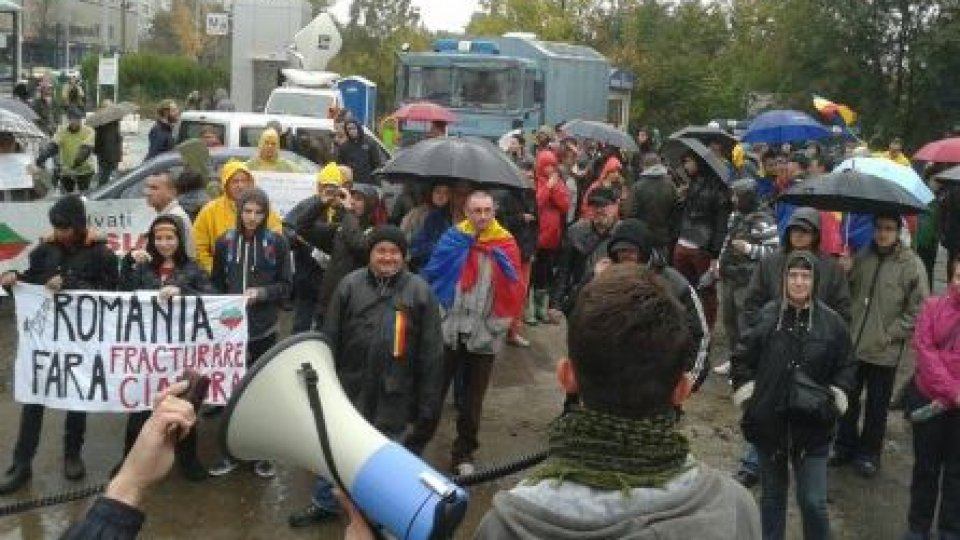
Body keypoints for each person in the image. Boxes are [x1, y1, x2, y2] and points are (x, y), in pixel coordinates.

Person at [287, 226, 445, 527]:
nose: (387, 257)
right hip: (350, 388)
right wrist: (322, 385)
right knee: (335, 449)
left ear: (403, 256)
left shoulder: (420, 292)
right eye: (380, 251)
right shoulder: (349, 285)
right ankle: (325, 502)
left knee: (388, 457)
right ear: (370, 254)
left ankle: (379, 513)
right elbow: (329, 336)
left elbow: (432, 356)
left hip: (396, 394)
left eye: (394, 252)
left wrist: (427, 408)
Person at [731, 250, 856, 540]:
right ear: (784, 278)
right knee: (772, 499)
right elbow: (742, 359)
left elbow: (847, 366)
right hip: (770, 428)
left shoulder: (832, 323)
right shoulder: (767, 316)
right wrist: (750, 399)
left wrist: (834, 401)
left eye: (806, 276)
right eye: (793, 275)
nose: (799, 282)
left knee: (813, 501)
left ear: (815, 280)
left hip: (812, 428)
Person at [0, 195, 119, 493]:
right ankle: (22, 462)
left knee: (75, 397)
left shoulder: (102, 254)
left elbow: (111, 294)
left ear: (79, 225)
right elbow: (31, 280)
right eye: (56, 227)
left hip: (80, 341)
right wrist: (13, 279)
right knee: (34, 398)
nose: (61, 233)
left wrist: (69, 282)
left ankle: (72, 454)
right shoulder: (44, 250)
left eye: (66, 227)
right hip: (45, 341)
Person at [734, 206, 851, 488]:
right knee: (766, 410)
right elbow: (752, 301)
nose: (800, 235)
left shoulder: (831, 268)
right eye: (796, 229)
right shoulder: (770, 263)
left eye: (807, 230)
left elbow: (843, 311)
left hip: (814, 355)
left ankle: (807, 469)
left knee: (806, 414)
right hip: (773, 348)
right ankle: (754, 463)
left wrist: (826, 336)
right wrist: (762, 328)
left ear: (815, 235)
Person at [422, 191, 524, 474]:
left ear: (494, 212)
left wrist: (495, 329)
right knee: (433, 392)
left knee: (472, 400)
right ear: (466, 212)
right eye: (476, 210)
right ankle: (417, 443)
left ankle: (464, 453)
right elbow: (435, 279)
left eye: (487, 211)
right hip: (449, 330)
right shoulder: (453, 239)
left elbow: (514, 290)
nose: (482, 216)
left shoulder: (505, 243)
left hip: (484, 334)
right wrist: (439, 320)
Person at [832, 214, 929, 477]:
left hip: (884, 350)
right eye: (878, 228)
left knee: (877, 405)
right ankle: (844, 444)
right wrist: (846, 271)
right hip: (855, 343)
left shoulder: (911, 265)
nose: (882, 233)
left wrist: (891, 333)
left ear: (899, 231)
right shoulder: (864, 255)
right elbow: (849, 294)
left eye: (888, 229)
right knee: (848, 399)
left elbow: (919, 310)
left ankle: (868, 453)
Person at [118, 215, 212, 481]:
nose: (164, 243)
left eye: (169, 238)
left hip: (181, 351)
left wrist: (183, 293)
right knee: (140, 408)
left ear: (179, 240)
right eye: (158, 238)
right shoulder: (142, 269)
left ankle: (189, 461)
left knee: (183, 406)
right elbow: (122, 296)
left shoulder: (192, 268)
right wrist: (127, 263)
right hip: (147, 353)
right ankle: (128, 460)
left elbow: (212, 297)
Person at [208, 188, 292, 478]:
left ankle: (261, 454)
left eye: (259, 212)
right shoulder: (224, 243)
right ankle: (230, 453)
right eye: (247, 211)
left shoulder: (277, 243)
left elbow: (286, 286)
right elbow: (216, 285)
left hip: (263, 330)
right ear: (239, 212)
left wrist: (263, 292)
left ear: (266, 214)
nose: (253, 218)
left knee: (260, 392)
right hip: (231, 333)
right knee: (230, 394)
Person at [602, 219, 710, 390]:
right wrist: (594, 281)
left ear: (643, 251)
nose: (624, 256)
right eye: (619, 251)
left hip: (658, 380)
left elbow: (699, 334)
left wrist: (688, 381)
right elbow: (577, 318)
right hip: (613, 380)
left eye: (630, 251)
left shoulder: (674, 284)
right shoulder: (604, 277)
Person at [902, 256, 960, 540]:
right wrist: (954, 392)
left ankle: (951, 529)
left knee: (956, 473)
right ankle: (918, 527)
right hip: (929, 398)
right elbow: (925, 352)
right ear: (951, 276)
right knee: (925, 468)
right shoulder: (932, 307)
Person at [283, 163, 365, 332]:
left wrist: (346, 210)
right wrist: (298, 241)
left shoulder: (347, 211)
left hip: (335, 281)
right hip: (308, 273)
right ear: (319, 186)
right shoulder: (309, 205)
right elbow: (292, 228)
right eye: (326, 187)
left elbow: (354, 240)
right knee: (302, 323)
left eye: (335, 187)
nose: (331, 192)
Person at [713, 178, 779, 376]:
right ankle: (735, 359)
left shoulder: (763, 221)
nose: (733, 199)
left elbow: (774, 251)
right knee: (729, 321)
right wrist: (718, 262)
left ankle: (750, 364)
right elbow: (728, 239)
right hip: (729, 278)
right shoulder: (735, 216)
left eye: (737, 196)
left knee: (747, 324)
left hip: (748, 282)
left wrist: (749, 248)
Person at [672, 152, 731, 329]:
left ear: (700, 162)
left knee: (705, 290)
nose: (685, 166)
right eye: (684, 162)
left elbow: (721, 225)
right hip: (685, 242)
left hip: (701, 248)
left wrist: (715, 254)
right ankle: (691, 323)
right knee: (685, 288)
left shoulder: (718, 189)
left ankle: (707, 328)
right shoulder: (692, 184)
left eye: (688, 161)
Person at [192, 160, 282, 273]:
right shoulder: (209, 210)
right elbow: (198, 246)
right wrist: (214, 270)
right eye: (235, 181)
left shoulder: (264, 208)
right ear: (226, 184)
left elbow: (277, 240)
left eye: (244, 181)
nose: (240, 185)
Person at [549, 187, 619, 318]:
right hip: (580, 299)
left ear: (616, 206)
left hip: (611, 302)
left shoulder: (624, 234)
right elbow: (564, 269)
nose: (599, 210)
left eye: (604, 205)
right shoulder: (575, 232)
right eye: (594, 205)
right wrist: (555, 303)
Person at [532, 149, 570, 323]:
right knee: (531, 272)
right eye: (546, 166)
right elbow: (536, 203)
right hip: (536, 235)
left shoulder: (558, 182)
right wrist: (548, 187)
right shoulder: (535, 182)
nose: (549, 169)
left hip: (552, 237)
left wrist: (554, 187)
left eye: (552, 166)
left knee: (544, 273)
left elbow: (565, 205)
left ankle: (540, 308)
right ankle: (528, 309)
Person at [35, 106, 95, 193]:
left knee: (84, 195)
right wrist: (43, 156)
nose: (75, 122)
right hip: (67, 171)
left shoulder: (89, 131)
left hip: (85, 169)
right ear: (68, 119)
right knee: (67, 196)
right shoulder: (62, 131)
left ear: (81, 119)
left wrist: (75, 164)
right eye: (72, 119)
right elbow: (53, 146)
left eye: (77, 119)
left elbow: (85, 150)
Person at [627, 163, 678, 261]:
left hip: (643, 234)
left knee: (644, 263)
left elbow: (630, 213)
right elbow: (675, 209)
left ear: (645, 166)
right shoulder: (670, 184)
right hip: (664, 235)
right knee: (662, 265)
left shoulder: (638, 186)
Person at [144, 171, 195, 257]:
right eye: (147, 187)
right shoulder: (166, 214)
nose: (147, 192)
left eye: (154, 188)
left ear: (172, 192)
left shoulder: (175, 218)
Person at [408, 183, 453, 272]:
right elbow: (414, 245)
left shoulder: (448, 215)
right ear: (431, 193)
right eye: (438, 192)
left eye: (446, 193)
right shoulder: (419, 214)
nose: (441, 196)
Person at [337, 119, 381, 185]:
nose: (351, 131)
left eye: (353, 128)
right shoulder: (344, 147)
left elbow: (376, 164)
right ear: (346, 131)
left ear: (358, 128)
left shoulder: (369, 143)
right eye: (349, 129)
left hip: (367, 183)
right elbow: (341, 166)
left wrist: (376, 181)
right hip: (350, 183)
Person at [93, 106, 123, 187]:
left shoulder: (100, 125)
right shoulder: (110, 126)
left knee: (103, 181)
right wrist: (113, 161)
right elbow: (109, 145)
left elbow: (97, 144)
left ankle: (100, 195)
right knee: (107, 183)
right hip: (109, 160)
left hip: (104, 158)